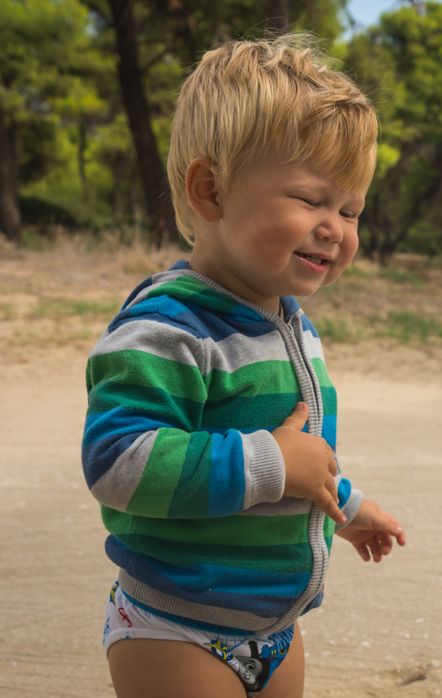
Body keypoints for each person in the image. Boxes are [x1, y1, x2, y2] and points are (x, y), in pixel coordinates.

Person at [81, 34, 406, 698]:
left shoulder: (291, 325)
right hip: (174, 626)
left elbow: (294, 459)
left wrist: (347, 504)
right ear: (211, 191)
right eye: (312, 201)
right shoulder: (168, 325)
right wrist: (271, 463)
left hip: (276, 625)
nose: (335, 228)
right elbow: (117, 462)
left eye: (350, 211)